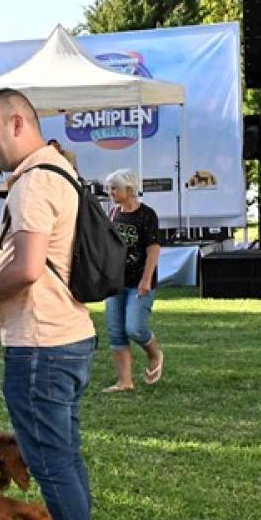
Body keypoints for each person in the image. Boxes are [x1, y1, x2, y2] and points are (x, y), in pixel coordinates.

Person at [0, 88, 99, 520]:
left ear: (17, 123)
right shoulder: (57, 172)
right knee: (64, 456)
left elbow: (24, 268)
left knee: (50, 461)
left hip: (43, 345)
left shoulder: (32, 184)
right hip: (65, 337)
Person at [102, 168, 163, 391]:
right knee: (116, 332)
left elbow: (153, 249)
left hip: (139, 281)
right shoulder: (113, 214)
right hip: (115, 282)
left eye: (114, 188)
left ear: (129, 189)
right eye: (109, 188)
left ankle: (155, 355)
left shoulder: (147, 215)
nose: (110, 192)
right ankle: (124, 381)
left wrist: (146, 280)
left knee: (134, 328)